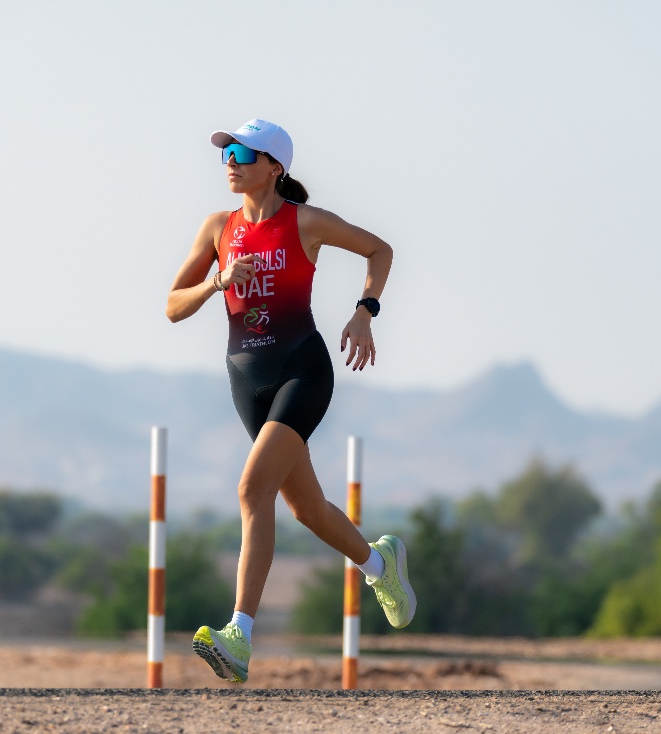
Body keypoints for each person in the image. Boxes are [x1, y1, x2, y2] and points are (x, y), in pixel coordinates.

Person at [166, 119, 415, 684]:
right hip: (245, 380)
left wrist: (365, 311)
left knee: (252, 489)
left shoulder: (305, 221)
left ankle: (239, 636)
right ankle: (380, 564)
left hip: (302, 370)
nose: (230, 162)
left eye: (242, 153)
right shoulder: (217, 228)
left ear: (274, 166)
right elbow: (172, 306)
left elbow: (380, 250)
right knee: (307, 509)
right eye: (226, 153)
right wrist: (217, 281)